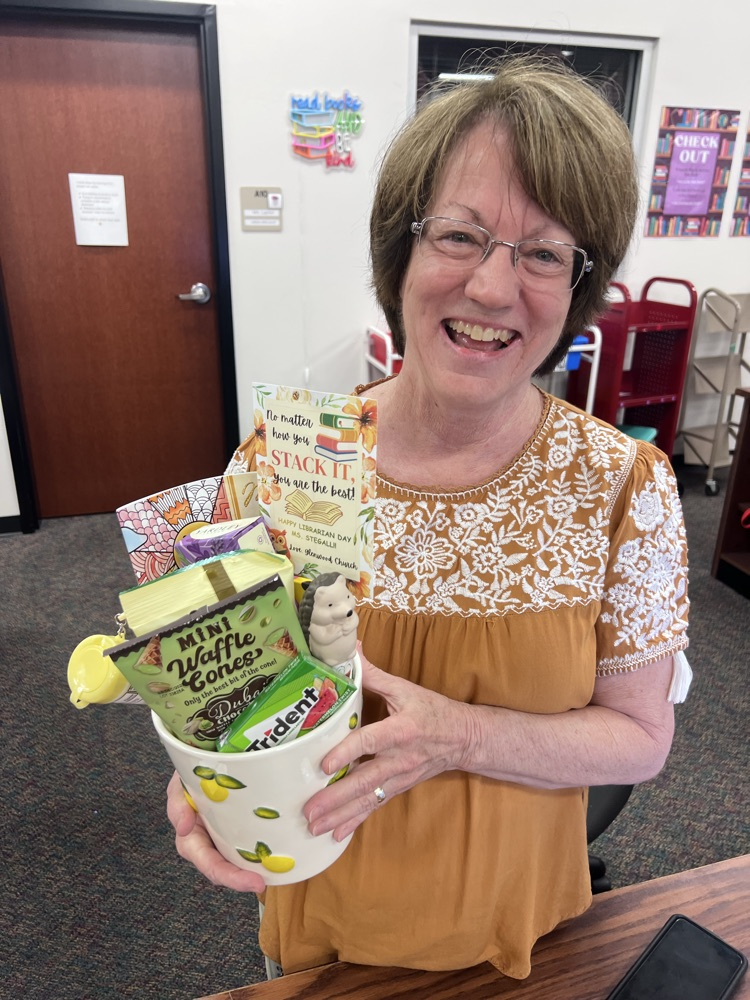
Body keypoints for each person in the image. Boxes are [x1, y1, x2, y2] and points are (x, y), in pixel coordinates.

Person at [167, 55, 690, 979]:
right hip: (326, 920)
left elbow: (642, 739)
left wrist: (460, 734)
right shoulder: (284, 463)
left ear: (578, 286)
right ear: (399, 252)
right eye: (459, 235)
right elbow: (228, 695)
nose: (491, 288)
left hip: (521, 928)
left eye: (543, 253)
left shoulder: (623, 488)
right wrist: (202, 783)